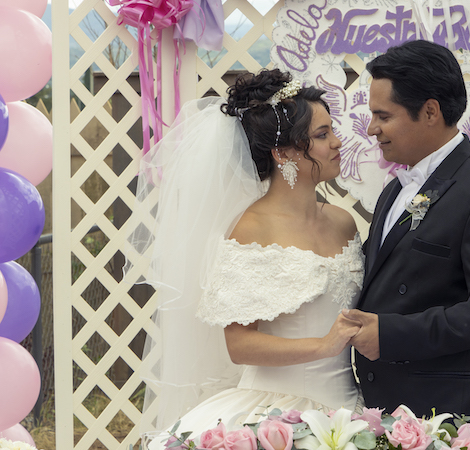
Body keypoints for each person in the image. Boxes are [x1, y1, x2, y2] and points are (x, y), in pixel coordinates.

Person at [125, 69, 363, 441]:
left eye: (331, 130)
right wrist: (323, 345)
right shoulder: (251, 229)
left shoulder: (343, 222)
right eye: (322, 134)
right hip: (279, 417)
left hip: (350, 411)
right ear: (283, 151)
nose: (337, 142)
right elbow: (239, 344)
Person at [343, 40, 470, 450]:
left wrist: (392, 334)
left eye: (383, 115)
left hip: (452, 421)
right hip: (389, 415)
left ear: (430, 111)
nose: (372, 128)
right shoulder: (395, 191)